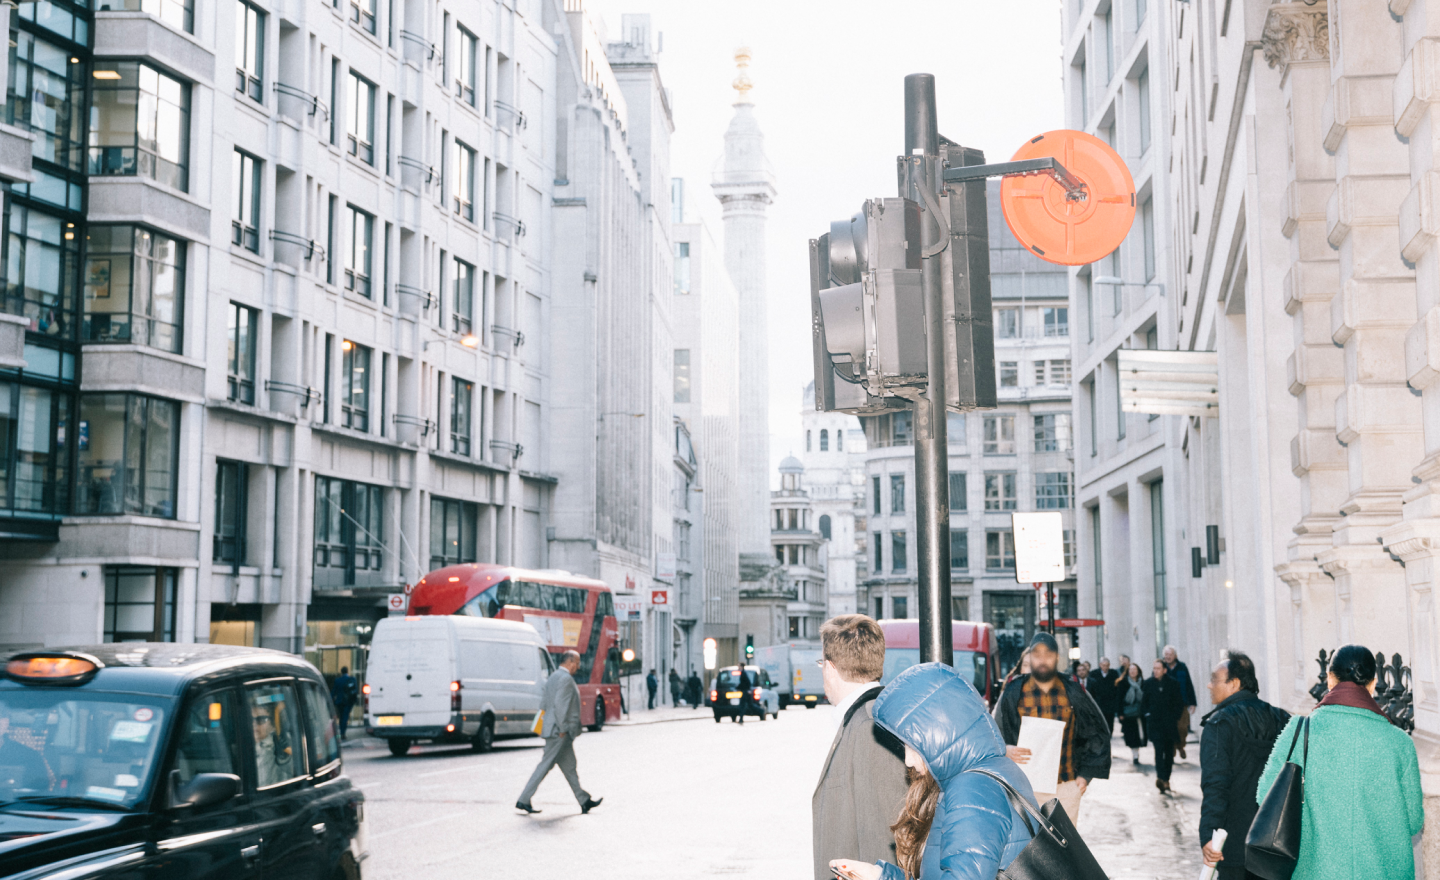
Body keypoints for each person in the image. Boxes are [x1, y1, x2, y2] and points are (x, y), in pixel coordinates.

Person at [829, 662, 1037, 880]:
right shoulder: (996, 769)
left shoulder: (973, 789)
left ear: (940, 737)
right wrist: (881, 876)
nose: (908, 761)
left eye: (913, 747)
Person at [1256, 645, 1422, 880]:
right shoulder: (1400, 742)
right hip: (1382, 872)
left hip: (1314, 871)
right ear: (1373, 684)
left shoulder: (1299, 730)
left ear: (1330, 680)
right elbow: (1413, 821)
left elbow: (1266, 796)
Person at [812, 615, 908, 880]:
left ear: (830, 668)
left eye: (821, 663)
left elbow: (884, 833)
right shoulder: (871, 716)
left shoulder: (869, 726)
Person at [993, 632, 1110, 822]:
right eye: (1037, 654)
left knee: (1063, 850)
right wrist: (1004, 749)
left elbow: (1097, 730)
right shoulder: (1014, 691)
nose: (1042, 660)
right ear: (1030, 657)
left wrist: (1085, 775)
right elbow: (993, 730)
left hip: (1065, 788)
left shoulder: (1073, 690)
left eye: (1048, 654)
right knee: (1026, 848)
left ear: (1057, 657)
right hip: (1024, 790)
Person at [1199, 651, 1290, 880]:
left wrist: (1208, 835)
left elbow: (1215, 784)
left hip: (1234, 843)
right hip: (1276, 841)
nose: (1209, 685)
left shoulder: (1219, 724)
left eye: (1214, 679)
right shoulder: (1282, 719)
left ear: (1234, 684)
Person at [516, 650, 602, 815]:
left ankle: (584, 800)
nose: (578, 666)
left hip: (555, 730)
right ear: (569, 662)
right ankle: (523, 799)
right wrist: (563, 729)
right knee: (544, 766)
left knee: (570, 768)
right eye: (576, 663)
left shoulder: (553, 678)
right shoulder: (566, 679)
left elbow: (544, 703)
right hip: (559, 732)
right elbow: (560, 706)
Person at [1142, 658, 1184, 793]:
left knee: (1169, 753)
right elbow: (1144, 702)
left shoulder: (1173, 683)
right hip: (1155, 724)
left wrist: (1175, 717)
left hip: (1169, 724)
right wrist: (1147, 714)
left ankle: (1166, 779)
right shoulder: (1148, 683)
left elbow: (1179, 703)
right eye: (1154, 668)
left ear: (1165, 670)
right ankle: (1160, 778)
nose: (1155, 671)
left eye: (1158, 669)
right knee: (1158, 752)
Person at [1163, 645, 1198, 759]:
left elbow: (1189, 685)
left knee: (1182, 728)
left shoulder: (1182, 667)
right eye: (1166, 655)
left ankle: (1180, 746)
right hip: (1167, 705)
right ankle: (1172, 748)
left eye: (1170, 655)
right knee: (1169, 728)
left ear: (1175, 656)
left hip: (1182, 703)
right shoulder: (1162, 667)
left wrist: (1193, 703)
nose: (1168, 657)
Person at [250, 698, 294, 787]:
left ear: (274, 725)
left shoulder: (278, 750)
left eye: (260, 720)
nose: (253, 724)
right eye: (250, 719)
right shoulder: (242, 745)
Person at [1118, 662, 1147, 764]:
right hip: (1128, 713)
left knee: (1140, 734)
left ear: (1138, 671)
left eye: (1135, 670)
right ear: (1128, 672)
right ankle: (1134, 754)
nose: (1133, 672)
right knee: (1131, 735)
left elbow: (1146, 698)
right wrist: (1120, 713)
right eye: (1131, 670)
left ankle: (1137, 751)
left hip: (1140, 713)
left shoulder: (1143, 683)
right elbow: (1119, 699)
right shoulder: (1123, 683)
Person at [1088, 657, 1121, 734]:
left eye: (1107, 665)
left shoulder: (1114, 673)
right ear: (1100, 665)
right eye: (1103, 665)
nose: (1105, 667)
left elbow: (1116, 688)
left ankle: (1109, 736)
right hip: (1099, 702)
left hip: (1110, 703)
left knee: (1110, 722)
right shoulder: (1094, 673)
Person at [330, 666, 358, 740]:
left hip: (339, 702)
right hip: (348, 702)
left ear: (341, 672)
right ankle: (343, 733)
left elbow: (333, 692)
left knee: (341, 717)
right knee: (345, 717)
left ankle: (341, 733)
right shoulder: (351, 679)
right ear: (347, 671)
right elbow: (355, 691)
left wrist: (330, 699)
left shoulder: (337, 680)